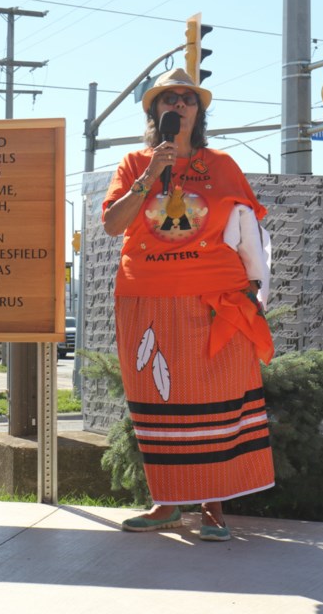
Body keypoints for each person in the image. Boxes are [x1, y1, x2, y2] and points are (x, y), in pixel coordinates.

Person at [101, 68, 275, 542]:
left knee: (216, 401)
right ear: (154, 110)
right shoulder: (135, 162)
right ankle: (166, 505)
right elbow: (114, 226)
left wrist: (257, 293)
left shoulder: (221, 165)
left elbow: (251, 235)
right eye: (168, 98)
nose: (177, 105)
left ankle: (213, 508)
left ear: (198, 112)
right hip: (147, 298)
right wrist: (151, 175)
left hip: (214, 300)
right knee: (159, 400)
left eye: (187, 99)